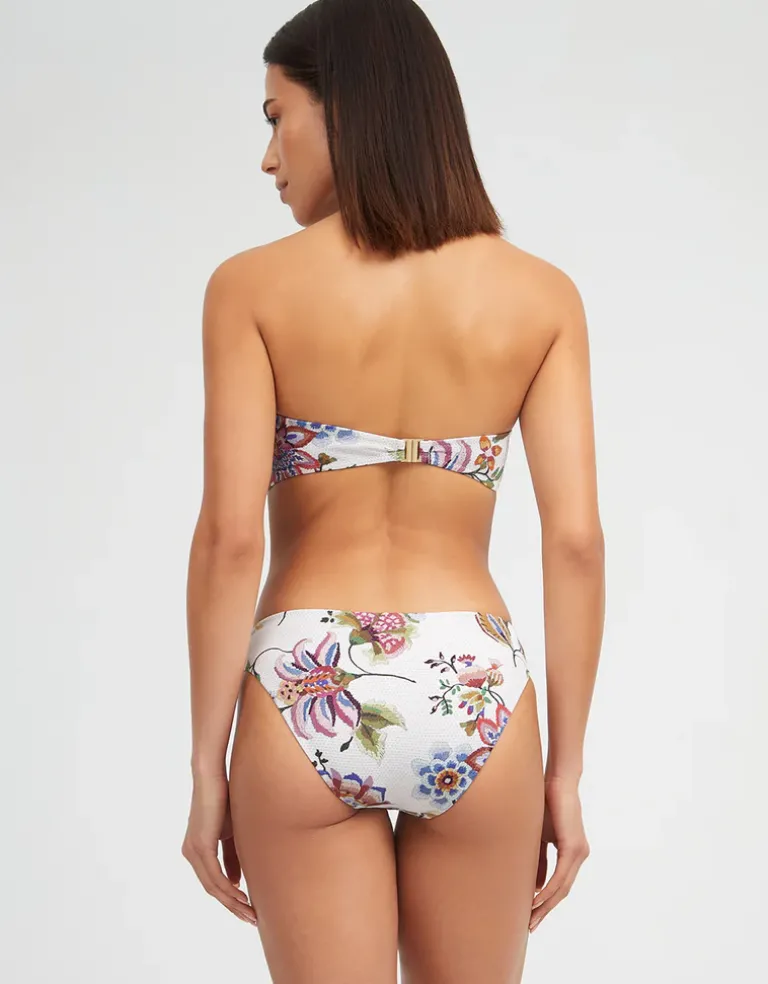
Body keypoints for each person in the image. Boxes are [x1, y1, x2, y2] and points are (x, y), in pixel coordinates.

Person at [181, 0, 605, 980]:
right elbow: (575, 542)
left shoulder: (250, 287)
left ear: (345, 108)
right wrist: (566, 773)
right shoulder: (541, 296)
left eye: (276, 117)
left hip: (306, 687)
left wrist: (206, 765)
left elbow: (230, 541)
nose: (268, 157)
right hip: (475, 687)